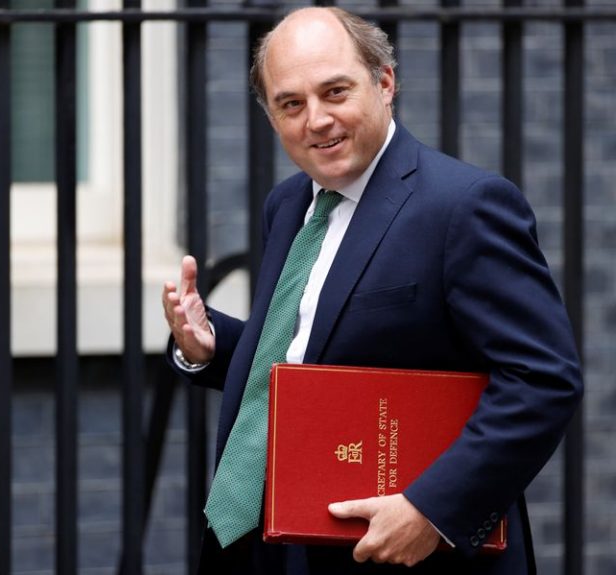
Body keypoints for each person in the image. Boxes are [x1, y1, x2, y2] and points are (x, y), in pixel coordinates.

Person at [162, 6, 582, 574]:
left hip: (406, 554)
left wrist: (430, 511)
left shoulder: (464, 206)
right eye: (291, 104)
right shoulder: (288, 206)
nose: (316, 120)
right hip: (276, 539)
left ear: (385, 83)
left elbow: (543, 378)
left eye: (335, 92)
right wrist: (209, 347)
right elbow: (312, 352)